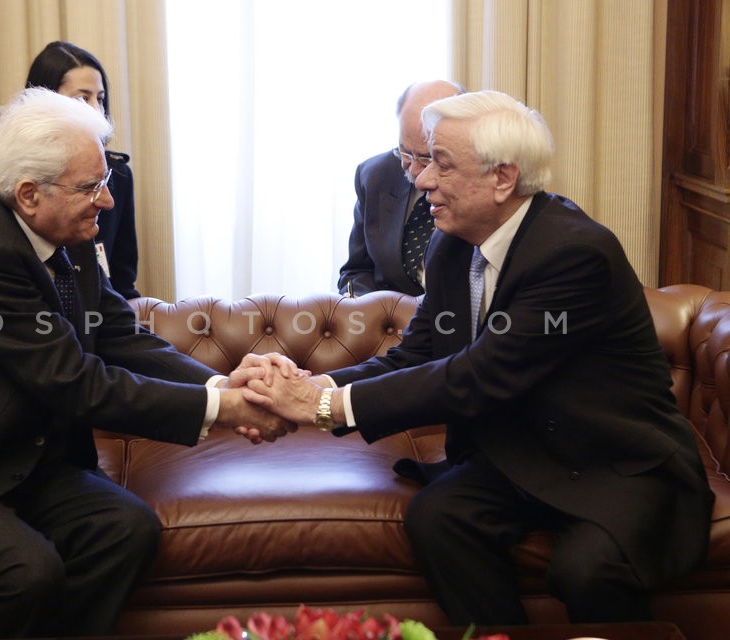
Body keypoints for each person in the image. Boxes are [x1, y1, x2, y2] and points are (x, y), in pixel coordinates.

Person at [246, 90, 714, 626]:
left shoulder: (572, 252)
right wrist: (310, 386)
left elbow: (480, 375)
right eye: (421, 162)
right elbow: (417, 354)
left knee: (584, 569)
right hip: (518, 454)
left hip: (616, 463)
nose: (420, 182)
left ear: (503, 178)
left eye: (440, 165)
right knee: (439, 517)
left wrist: (323, 407)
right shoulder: (453, 245)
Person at [0, 87, 294, 639]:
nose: (106, 200)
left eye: (103, 181)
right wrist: (224, 408)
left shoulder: (69, 233)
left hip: (28, 462)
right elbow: (73, 383)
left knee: (125, 530)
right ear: (29, 194)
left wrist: (220, 382)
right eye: (92, 186)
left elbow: (119, 335)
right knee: (25, 573)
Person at [0, 41, 141, 299]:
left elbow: (122, 280)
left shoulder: (118, 174)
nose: (96, 111)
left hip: (96, 310)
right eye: (81, 99)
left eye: (99, 99)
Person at [337, 80, 463, 297]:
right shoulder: (375, 176)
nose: (414, 171)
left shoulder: (475, 184)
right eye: (405, 152)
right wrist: (365, 310)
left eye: (426, 158)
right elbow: (357, 270)